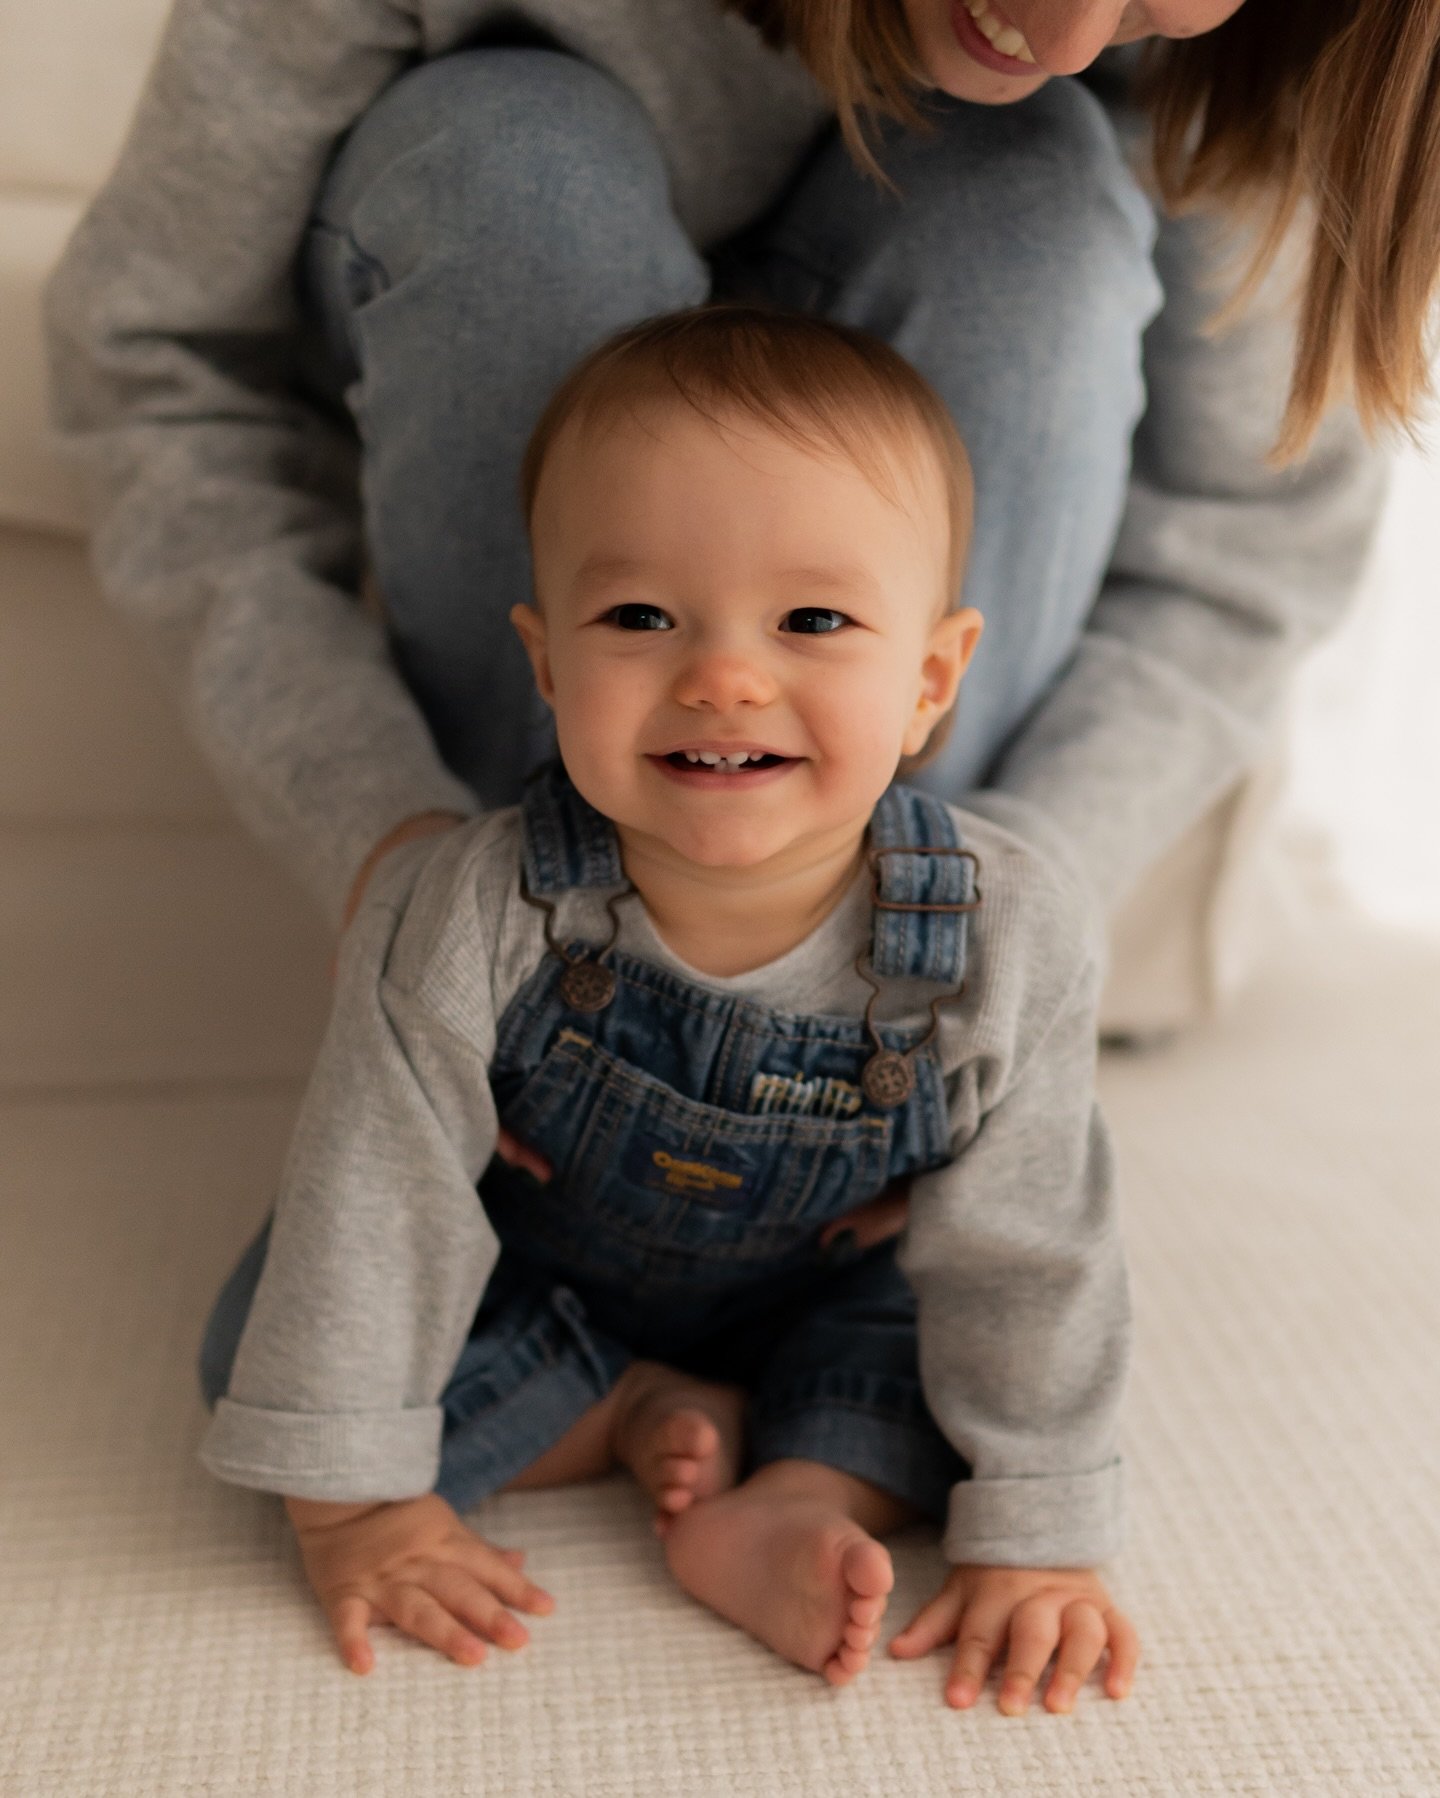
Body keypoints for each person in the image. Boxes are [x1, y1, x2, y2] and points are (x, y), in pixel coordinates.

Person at [196, 303, 1138, 1711]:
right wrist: (358, 1506)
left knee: (949, 1369)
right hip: (545, 1268)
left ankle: (788, 1498)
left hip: (834, 1283)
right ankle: (632, 1406)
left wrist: (1044, 1539)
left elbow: (1030, 1253)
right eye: (640, 616)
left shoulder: (1006, 930)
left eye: (814, 619)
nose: (724, 676)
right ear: (547, 660)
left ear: (933, 676)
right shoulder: (472, 903)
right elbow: (378, 1198)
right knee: (272, 1346)